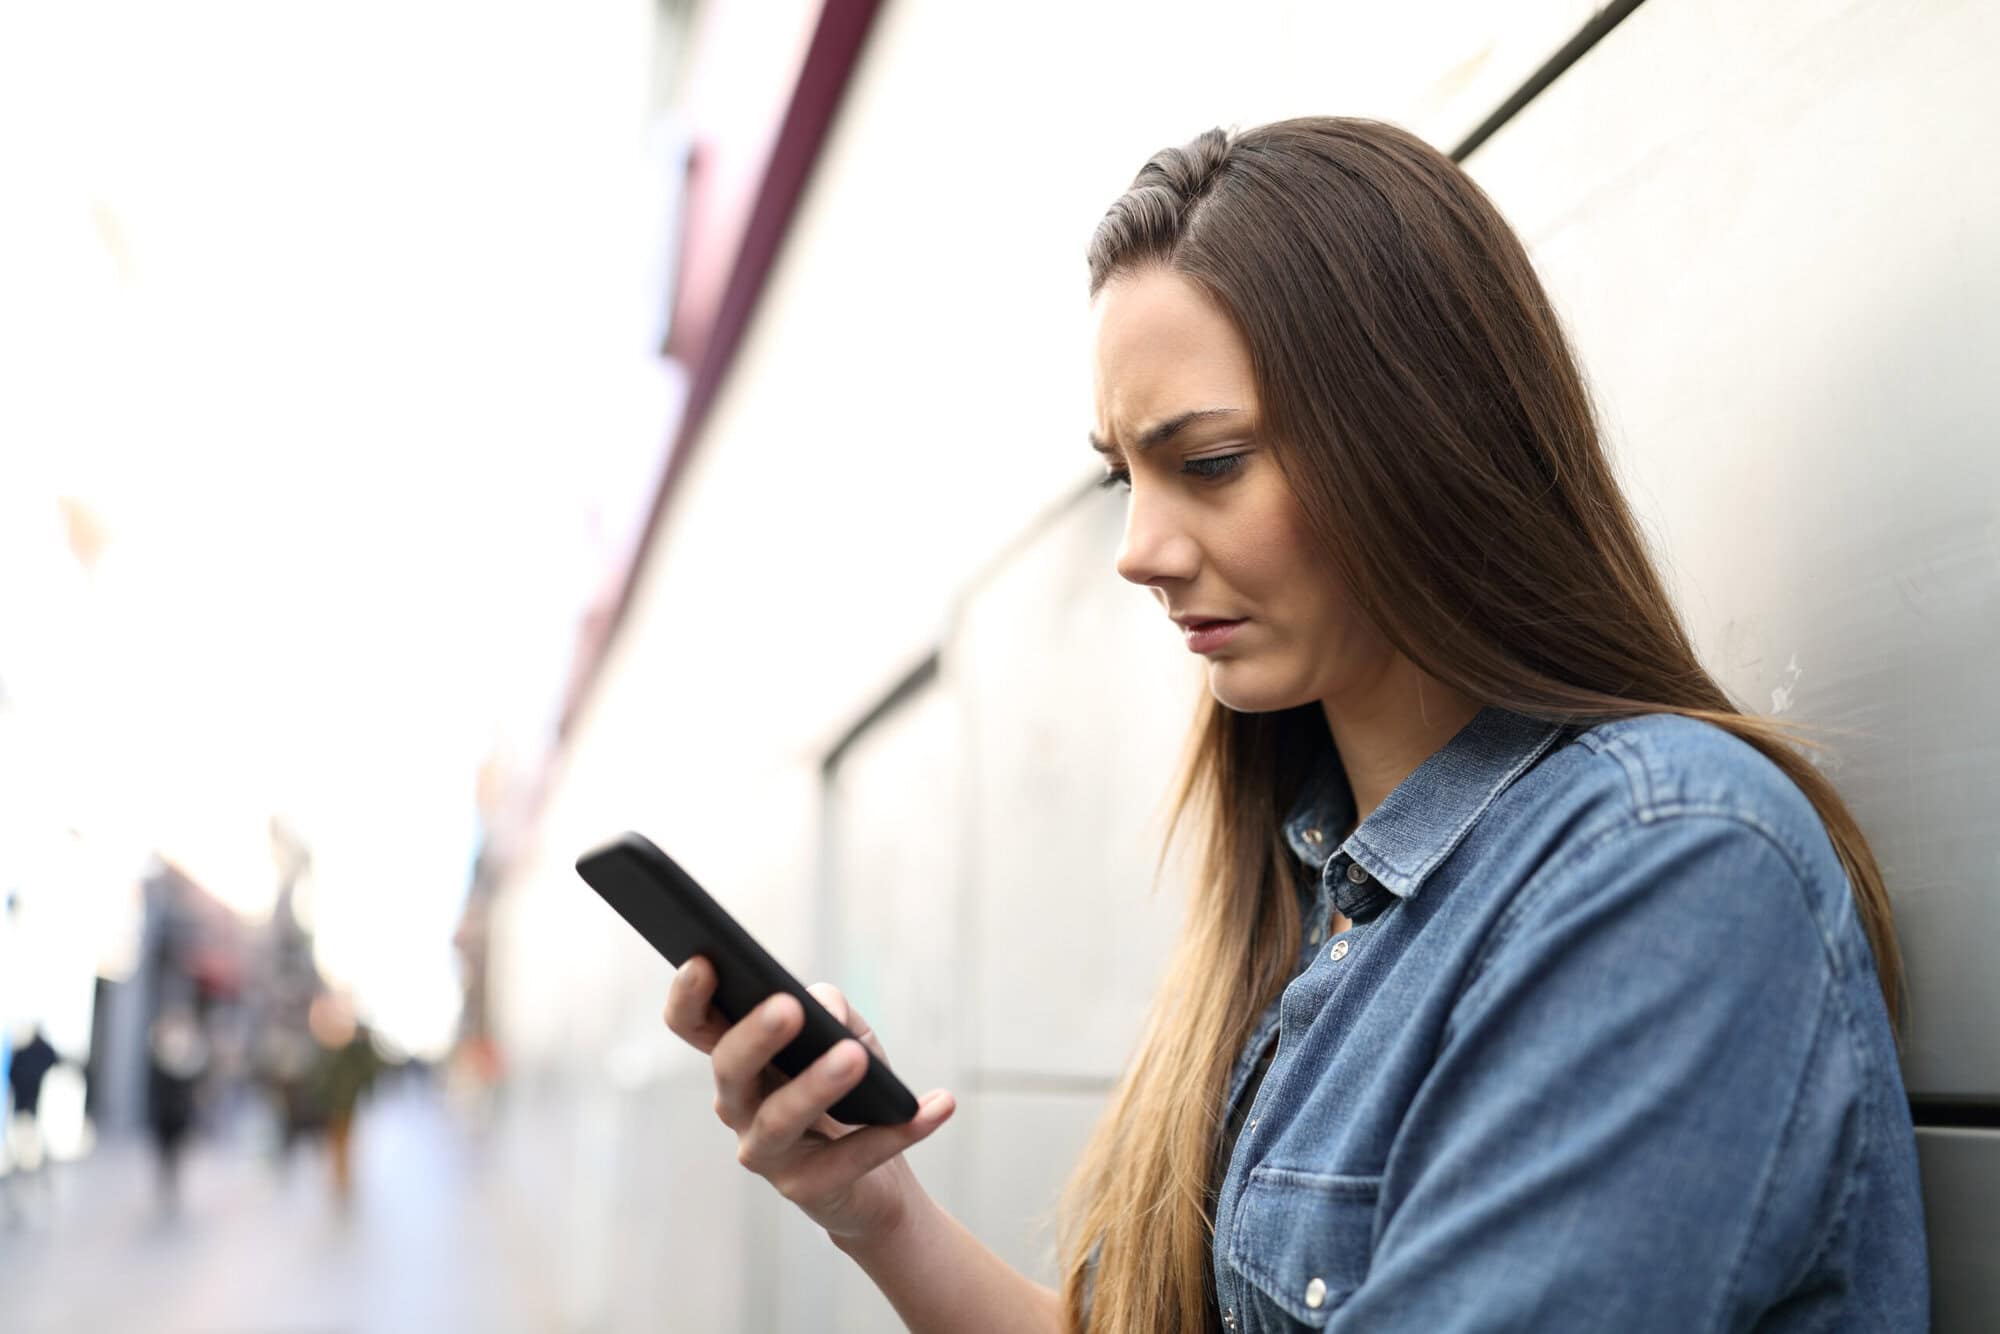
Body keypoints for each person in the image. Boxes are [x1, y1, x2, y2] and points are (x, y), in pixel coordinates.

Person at [661, 117, 1927, 1332]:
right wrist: (876, 1207)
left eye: (1206, 461)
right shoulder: (1313, 895)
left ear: (1417, 438)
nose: (1140, 552)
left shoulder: (1663, 865)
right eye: (1123, 475)